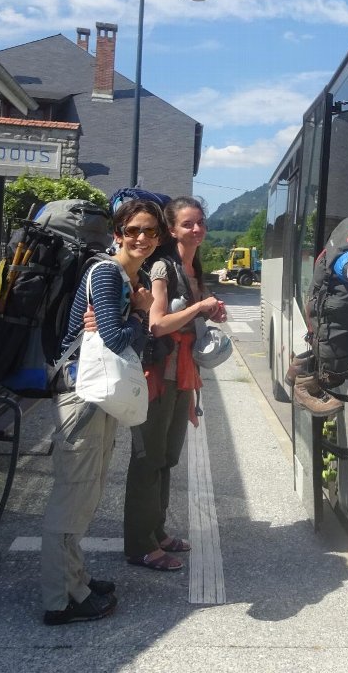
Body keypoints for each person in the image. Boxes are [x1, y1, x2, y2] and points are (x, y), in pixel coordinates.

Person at [41, 199, 160, 625]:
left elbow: (120, 337)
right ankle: (59, 600)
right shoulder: (108, 274)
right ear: (118, 233)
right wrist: (143, 315)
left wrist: (134, 324)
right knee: (72, 496)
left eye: (150, 231)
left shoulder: (133, 276)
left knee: (85, 493)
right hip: (82, 398)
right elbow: (114, 338)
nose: (142, 238)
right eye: (134, 230)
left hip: (99, 395)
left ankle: (78, 581)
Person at [124, 196, 226, 572]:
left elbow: (188, 321)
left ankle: (158, 531)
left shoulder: (194, 267)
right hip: (158, 374)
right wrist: (199, 307)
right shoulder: (163, 269)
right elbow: (157, 324)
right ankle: (139, 544)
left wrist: (211, 311)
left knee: (166, 457)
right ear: (172, 230)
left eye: (200, 222)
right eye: (188, 224)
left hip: (182, 373)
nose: (196, 229)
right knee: (147, 459)